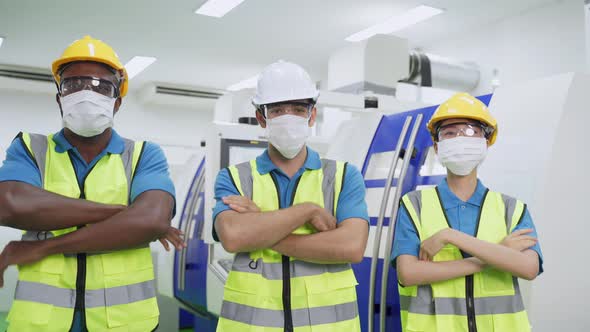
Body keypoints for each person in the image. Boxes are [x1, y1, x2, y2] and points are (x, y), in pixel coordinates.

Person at [0, 35, 183, 332]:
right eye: (73, 84)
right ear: (60, 98)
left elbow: (151, 219)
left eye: (100, 86)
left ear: (117, 102)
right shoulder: (30, 148)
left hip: (125, 323)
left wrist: (45, 247)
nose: (86, 93)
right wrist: (127, 214)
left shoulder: (143, 155)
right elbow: (10, 204)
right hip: (40, 324)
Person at [212, 60, 369, 331]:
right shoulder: (234, 178)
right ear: (261, 117)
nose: (289, 117)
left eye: (298, 109)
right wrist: (306, 211)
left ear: (312, 115)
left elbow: (351, 247)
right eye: (277, 110)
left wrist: (260, 226)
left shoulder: (344, 177)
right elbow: (234, 237)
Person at [392, 92, 543, 332]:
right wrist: (497, 255)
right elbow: (408, 273)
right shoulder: (414, 205)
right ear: (437, 146)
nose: (460, 139)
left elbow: (528, 268)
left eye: (471, 131)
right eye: (449, 133)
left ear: (485, 142)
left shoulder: (512, 209)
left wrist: (451, 236)